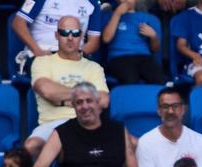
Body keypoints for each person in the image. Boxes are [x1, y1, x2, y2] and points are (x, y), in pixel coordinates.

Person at [25, 18, 110, 156]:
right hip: (53, 125)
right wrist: (86, 97)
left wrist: (62, 100)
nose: (70, 37)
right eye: (64, 32)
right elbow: (47, 90)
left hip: (87, 123)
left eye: (75, 33)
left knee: (131, 145)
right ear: (56, 35)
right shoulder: (42, 61)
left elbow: (103, 100)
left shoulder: (94, 67)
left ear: (81, 36)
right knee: (31, 146)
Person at [137, 87, 202, 167]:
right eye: (165, 106)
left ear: (183, 109)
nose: (170, 111)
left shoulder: (199, 140)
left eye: (175, 106)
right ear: (158, 111)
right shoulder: (145, 142)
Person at [12, 0, 103, 73]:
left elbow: (93, 42)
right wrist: (37, 51)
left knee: (94, 76)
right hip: (44, 54)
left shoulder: (92, 2)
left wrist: (76, 55)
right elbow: (18, 23)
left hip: (75, 56)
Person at [100, 0, 166, 85]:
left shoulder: (150, 18)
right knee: (130, 81)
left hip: (144, 57)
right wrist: (117, 14)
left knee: (159, 80)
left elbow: (155, 49)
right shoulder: (109, 16)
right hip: (119, 57)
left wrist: (153, 36)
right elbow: (106, 39)